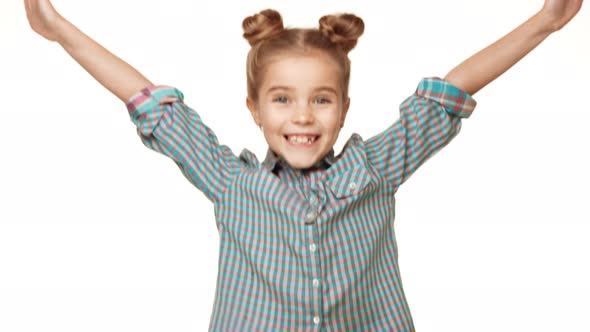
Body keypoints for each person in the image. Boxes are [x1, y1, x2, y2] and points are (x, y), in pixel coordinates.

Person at [25, 0, 583, 330]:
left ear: (343, 110)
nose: (303, 116)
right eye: (282, 98)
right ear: (254, 108)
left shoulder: (374, 168)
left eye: (321, 99)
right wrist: (58, 31)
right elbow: (149, 103)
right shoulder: (231, 181)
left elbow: (446, 95)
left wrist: (544, 23)